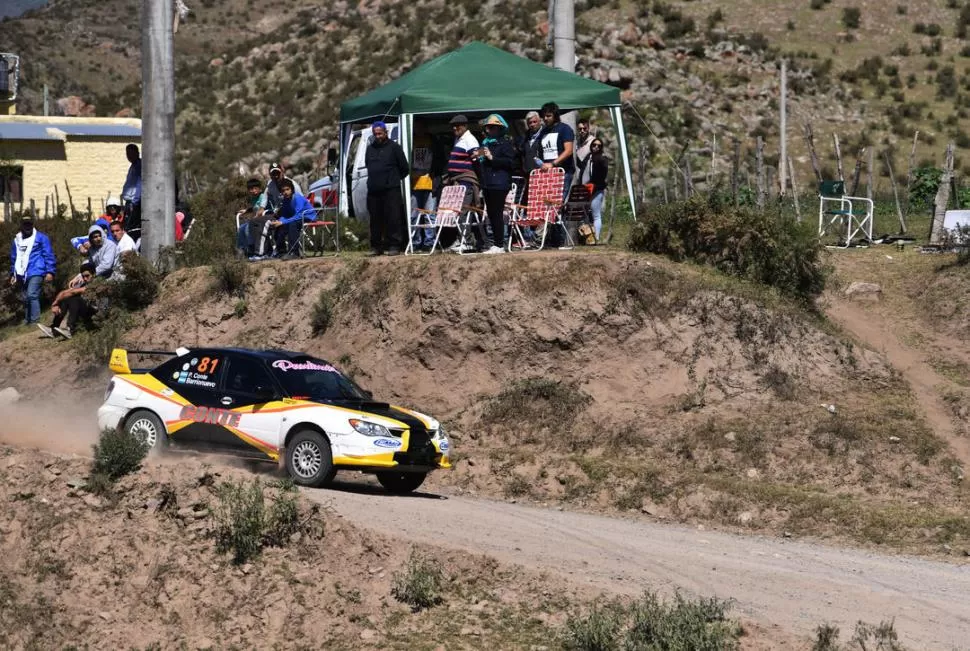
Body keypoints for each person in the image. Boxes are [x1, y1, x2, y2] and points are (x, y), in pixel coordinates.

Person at [363, 120, 409, 256]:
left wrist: (392, 179)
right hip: (374, 190)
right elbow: (368, 165)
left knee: (393, 217)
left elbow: (404, 168)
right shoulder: (370, 148)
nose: (378, 136)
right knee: (375, 219)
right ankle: (376, 246)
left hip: (391, 189)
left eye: (380, 134)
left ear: (385, 133)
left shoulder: (395, 147)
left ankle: (394, 245)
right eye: (375, 134)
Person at [476, 114, 516, 254]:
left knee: (497, 213)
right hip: (487, 183)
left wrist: (492, 158)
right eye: (487, 127)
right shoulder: (485, 143)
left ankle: (499, 244)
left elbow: (511, 163)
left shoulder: (505, 144)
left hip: (500, 183)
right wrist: (478, 157)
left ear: (499, 129)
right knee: (491, 214)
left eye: (492, 127)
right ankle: (495, 244)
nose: (489, 130)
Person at [443, 114, 483, 253]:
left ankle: (465, 240)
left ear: (465, 126)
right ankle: (461, 238)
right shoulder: (458, 139)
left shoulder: (470, 140)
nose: (455, 128)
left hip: (466, 180)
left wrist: (479, 180)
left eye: (458, 125)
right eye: (453, 126)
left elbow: (477, 160)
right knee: (456, 211)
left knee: (463, 211)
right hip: (457, 181)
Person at [9, 215, 56, 326]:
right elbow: (13, 257)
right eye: (25, 224)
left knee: (32, 294)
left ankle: (35, 321)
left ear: (33, 225)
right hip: (22, 273)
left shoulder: (41, 238)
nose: (27, 226)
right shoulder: (16, 240)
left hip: (37, 270)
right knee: (25, 297)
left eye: (29, 224)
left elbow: (48, 254)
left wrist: (50, 271)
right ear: (21, 225)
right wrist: (13, 274)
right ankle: (27, 320)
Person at [36, 262, 96, 340]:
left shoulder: (96, 284)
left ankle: (70, 330)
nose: (85, 278)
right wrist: (57, 303)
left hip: (94, 314)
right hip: (85, 312)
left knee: (74, 298)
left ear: (94, 274)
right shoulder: (83, 283)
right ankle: (54, 329)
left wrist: (55, 303)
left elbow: (72, 292)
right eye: (83, 276)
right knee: (66, 298)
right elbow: (65, 293)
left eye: (87, 276)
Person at [267, 179, 316, 259]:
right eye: (283, 191)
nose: (285, 192)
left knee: (292, 224)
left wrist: (283, 222)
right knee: (279, 226)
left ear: (292, 189)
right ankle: (281, 251)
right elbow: (285, 215)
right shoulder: (285, 200)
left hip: (307, 217)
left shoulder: (297, 198)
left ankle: (294, 252)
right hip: (297, 217)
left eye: (287, 189)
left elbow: (298, 215)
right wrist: (280, 221)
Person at [537, 102, 576, 197]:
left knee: (557, 203)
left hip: (563, 172)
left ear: (555, 116)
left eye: (548, 116)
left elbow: (569, 150)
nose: (545, 118)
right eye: (543, 116)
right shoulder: (543, 132)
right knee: (546, 202)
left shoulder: (565, 129)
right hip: (547, 172)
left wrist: (553, 164)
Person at [583, 137, 609, 240]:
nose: (596, 147)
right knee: (585, 214)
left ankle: (596, 236)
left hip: (597, 190)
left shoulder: (603, 159)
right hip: (585, 188)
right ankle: (587, 235)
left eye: (599, 145)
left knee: (596, 214)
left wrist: (595, 186)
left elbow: (603, 175)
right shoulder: (588, 158)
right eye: (594, 145)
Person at [236, 178, 268, 257]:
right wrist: (246, 210)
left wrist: (254, 218)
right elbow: (254, 207)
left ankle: (252, 249)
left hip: (262, 219)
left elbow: (261, 209)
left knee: (247, 228)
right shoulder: (254, 198)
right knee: (241, 228)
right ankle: (242, 248)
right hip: (255, 219)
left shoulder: (262, 196)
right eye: (251, 189)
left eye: (255, 188)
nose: (253, 191)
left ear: (260, 189)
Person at [121, 144, 142, 240]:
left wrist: (135, 201)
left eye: (131, 153)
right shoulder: (132, 166)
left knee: (131, 228)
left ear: (137, 153)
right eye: (127, 154)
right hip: (129, 202)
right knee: (126, 226)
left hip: (134, 202)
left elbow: (140, 184)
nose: (129, 156)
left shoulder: (139, 166)